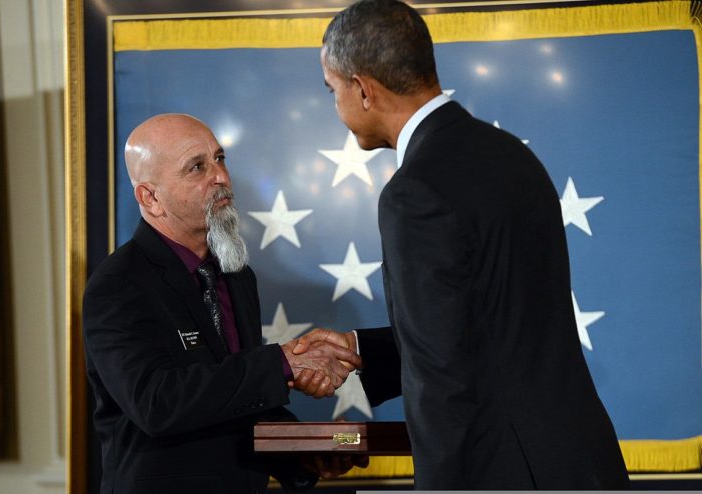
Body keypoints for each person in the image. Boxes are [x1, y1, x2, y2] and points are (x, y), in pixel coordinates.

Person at [294, 0, 630, 489]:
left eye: (333, 90)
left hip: (505, 473)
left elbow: (442, 377)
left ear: (363, 88)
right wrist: (359, 348)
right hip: (581, 460)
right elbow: (491, 327)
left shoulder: (415, 191)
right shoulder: (512, 155)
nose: (337, 107)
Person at [83, 113, 363, 494]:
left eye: (220, 159)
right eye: (197, 167)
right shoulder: (118, 284)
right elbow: (156, 403)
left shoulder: (236, 275)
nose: (220, 177)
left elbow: (235, 401)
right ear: (150, 197)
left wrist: (305, 450)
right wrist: (283, 362)